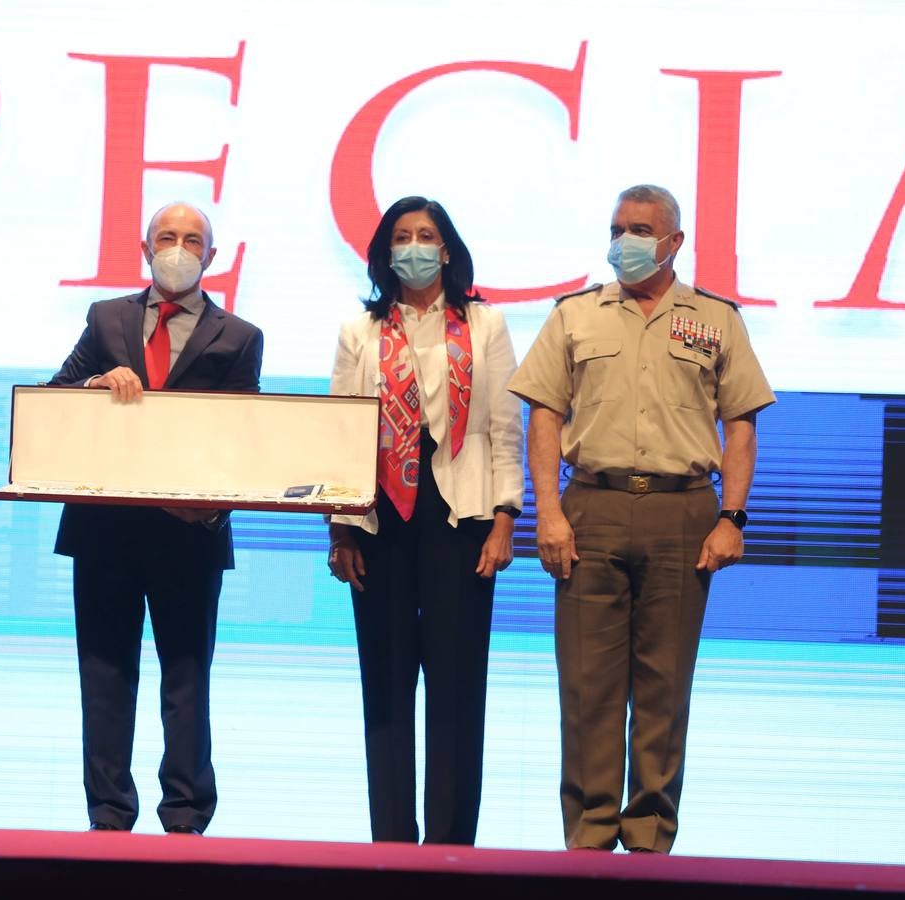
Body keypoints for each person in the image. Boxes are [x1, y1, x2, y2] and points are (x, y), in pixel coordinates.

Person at [507, 184, 775, 853]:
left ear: (674, 242)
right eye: (617, 228)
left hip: (683, 513)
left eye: (640, 229)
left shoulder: (715, 319)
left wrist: (732, 517)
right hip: (590, 508)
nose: (624, 241)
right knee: (588, 687)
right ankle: (590, 840)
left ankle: (650, 842)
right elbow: (544, 416)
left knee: (663, 687)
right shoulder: (574, 315)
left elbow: (738, 425)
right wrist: (549, 514)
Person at [48, 201, 263, 833]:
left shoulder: (240, 335)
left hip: (189, 531)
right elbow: (55, 397)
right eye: (166, 237)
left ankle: (186, 816)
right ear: (146, 250)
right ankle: (109, 815)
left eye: (192, 239)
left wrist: (205, 502)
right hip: (105, 528)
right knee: (106, 678)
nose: (178, 247)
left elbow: (246, 435)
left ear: (211, 257)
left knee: (187, 679)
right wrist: (91, 388)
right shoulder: (106, 317)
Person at [326, 196, 524, 845]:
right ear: (386, 253)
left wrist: (504, 519)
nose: (414, 246)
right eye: (402, 237)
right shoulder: (360, 331)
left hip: (459, 520)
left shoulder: (484, 325)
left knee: (457, 689)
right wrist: (340, 527)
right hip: (381, 520)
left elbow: (502, 428)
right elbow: (340, 435)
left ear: (447, 250)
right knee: (385, 687)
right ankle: (391, 842)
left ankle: (450, 844)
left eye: (426, 236)